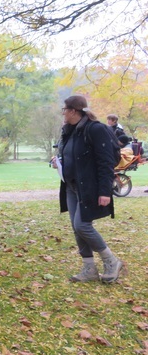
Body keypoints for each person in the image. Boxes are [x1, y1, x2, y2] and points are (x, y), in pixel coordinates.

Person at [52, 96, 124, 284]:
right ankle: (89, 268)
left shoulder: (95, 129)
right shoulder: (71, 131)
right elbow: (73, 157)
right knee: (77, 229)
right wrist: (59, 163)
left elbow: (106, 162)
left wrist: (104, 191)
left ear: (73, 111)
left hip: (89, 188)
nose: (63, 113)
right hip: (71, 186)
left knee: (83, 225)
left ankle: (111, 261)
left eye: (64, 109)